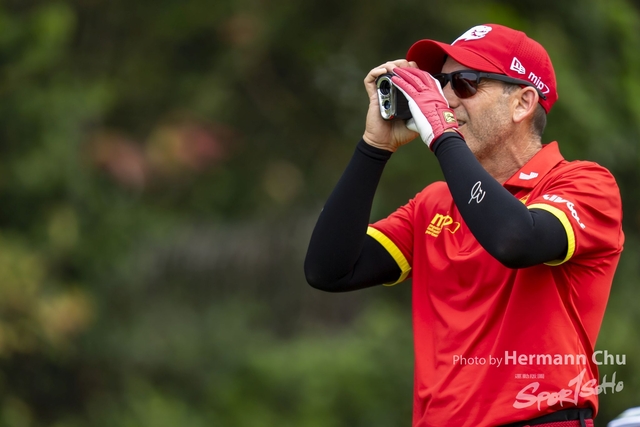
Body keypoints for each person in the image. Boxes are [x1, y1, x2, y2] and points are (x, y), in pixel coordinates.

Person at [304, 24, 624, 427]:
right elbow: (329, 270)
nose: (445, 98)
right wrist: (374, 147)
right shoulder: (434, 203)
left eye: (465, 83)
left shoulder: (586, 183)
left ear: (523, 103)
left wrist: (443, 135)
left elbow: (515, 240)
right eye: (440, 84)